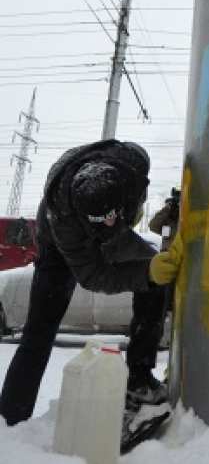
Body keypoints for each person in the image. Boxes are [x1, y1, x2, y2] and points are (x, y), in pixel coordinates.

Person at [0, 139, 183, 426]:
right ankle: (11, 419)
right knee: (39, 331)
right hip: (60, 244)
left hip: (113, 223)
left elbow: (124, 232)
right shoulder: (64, 222)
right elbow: (92, 275)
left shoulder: (133, 163)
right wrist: (145, 272)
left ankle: (139, 381)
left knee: (154, 275)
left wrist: (148, 263)